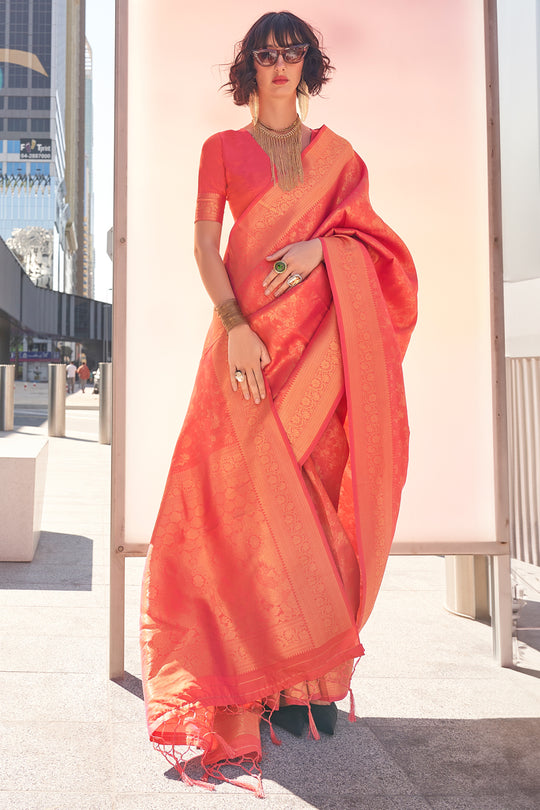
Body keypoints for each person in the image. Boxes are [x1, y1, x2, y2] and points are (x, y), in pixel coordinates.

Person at [140, 11, 417, 796]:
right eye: (266, 54)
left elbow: (379, 250)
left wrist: (322, 249)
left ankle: (310, 687)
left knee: (309, 512)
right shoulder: (220, 151)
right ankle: (248, 679)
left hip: (317, 359)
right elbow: (203, 245)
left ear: (308, 66)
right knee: (233, 515)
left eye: (291, 53)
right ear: (249, 69)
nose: (279, 65)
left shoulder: (340, 159)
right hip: (243, 356)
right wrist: (233, 327)